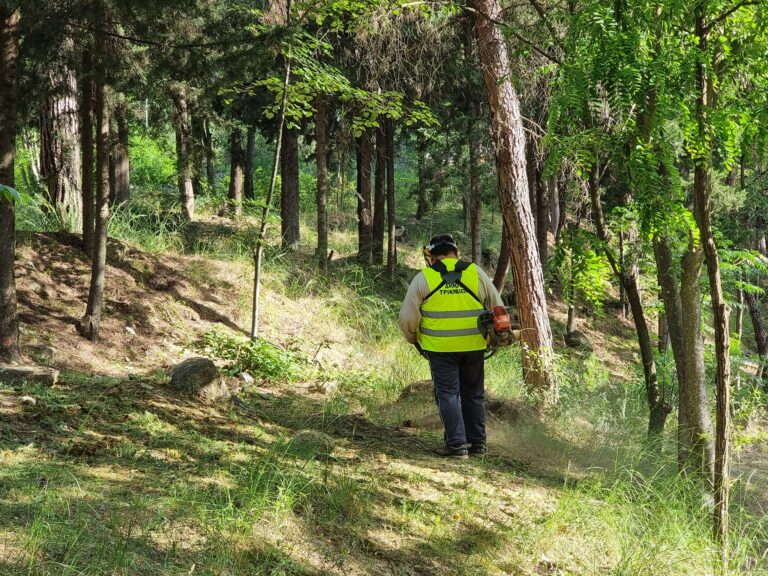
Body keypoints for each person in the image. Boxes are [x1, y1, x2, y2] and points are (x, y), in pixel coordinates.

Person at [398, 234, 504, 459]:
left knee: (448, 394)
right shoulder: (475, 272)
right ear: (455, 252)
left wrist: (412, 338)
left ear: (432, 255)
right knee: (474, 394)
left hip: (440, 348)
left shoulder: (424, 277)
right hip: (474, 345)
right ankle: (477, 445)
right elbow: (497, 306)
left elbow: (408, 318)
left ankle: (456, 446)